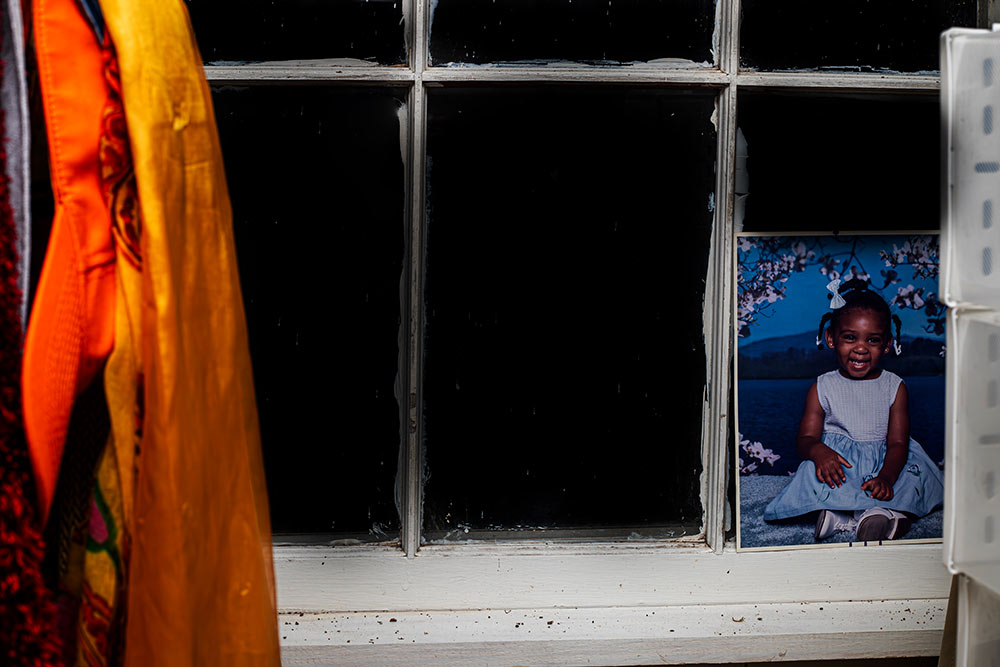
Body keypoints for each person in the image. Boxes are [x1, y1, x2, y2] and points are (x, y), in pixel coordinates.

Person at [763, 278, 945, 542]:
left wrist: (886, 476)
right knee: (814, 474)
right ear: (831, 338)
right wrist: (819, 451)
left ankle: (885, 515)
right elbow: (805, 440)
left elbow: (897, 443)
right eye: (850, 337)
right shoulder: (822, 386)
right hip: (842, 461)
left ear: (886, 344)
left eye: (873, 340)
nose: (860, 348)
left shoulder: (895, 387)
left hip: (889, 461)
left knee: (912, 479)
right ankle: (845, 517)